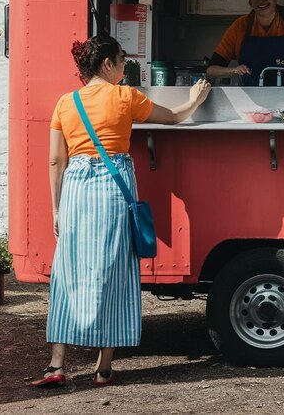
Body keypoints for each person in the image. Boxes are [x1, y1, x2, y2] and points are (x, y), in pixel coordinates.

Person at [29, 33, 210, 388]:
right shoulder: (126, 97)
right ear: (108, 63)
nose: (126, 65)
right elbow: (173, 117)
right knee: (114, 270)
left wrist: (56, 210)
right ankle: (103, 368)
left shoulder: (66, 103)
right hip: (113, 188)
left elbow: (55, 160)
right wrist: (194, 99)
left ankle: (56, 364)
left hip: (77, 190)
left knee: (68, 271)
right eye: (123, 58)